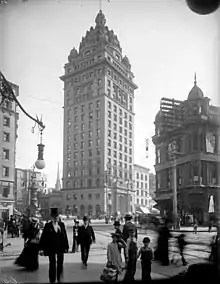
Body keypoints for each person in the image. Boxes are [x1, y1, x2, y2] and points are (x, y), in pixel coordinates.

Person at [39, 208, 69, 284]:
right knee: (52, 263)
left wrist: (66, 247)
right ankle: (52, 279)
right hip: (51, 247)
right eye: (54, 217)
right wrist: (41, 248)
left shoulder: (61, 225)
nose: (56, 218)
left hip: (60, 247)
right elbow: (43, 237)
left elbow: (64, 236)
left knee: (60, 263)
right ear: (51, 217)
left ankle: (59, 278)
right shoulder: (47, 226)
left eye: (57, 217)